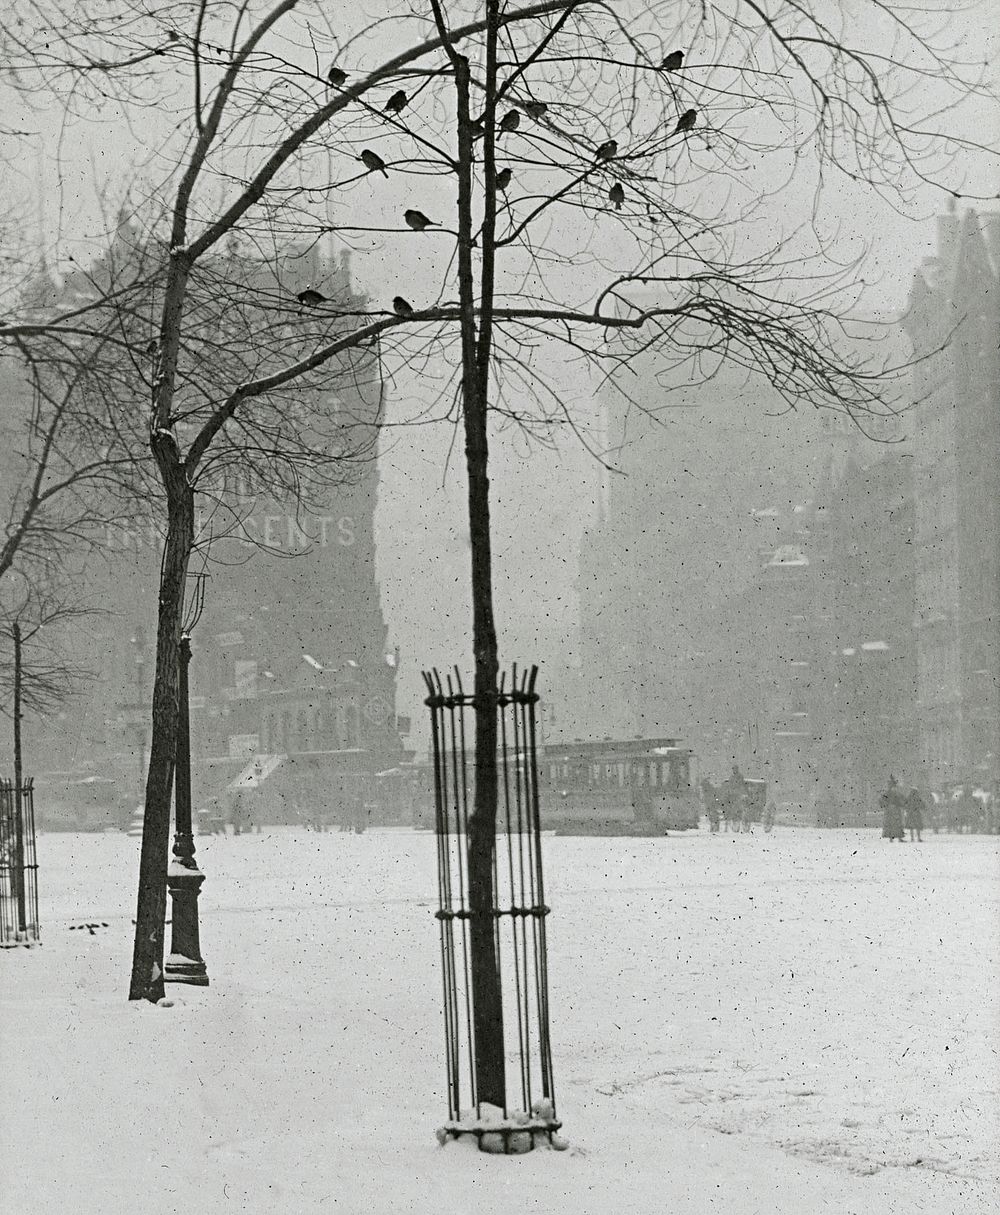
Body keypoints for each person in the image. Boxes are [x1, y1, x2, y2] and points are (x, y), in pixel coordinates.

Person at [880, 775, 905, 841]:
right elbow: (900, 799)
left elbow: (882, 800)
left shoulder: (887, 792)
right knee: (897, 824)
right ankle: (899, 838)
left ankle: (891, 838)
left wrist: (885, 805)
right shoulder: (895, 792)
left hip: (889, 810)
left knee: (891, 824)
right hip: (895, 809)